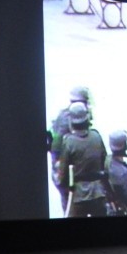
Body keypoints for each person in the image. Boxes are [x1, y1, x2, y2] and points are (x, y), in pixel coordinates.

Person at [57, 102, 108, 217]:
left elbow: (62, 173)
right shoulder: (96, 136)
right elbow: (105, 163)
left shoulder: (69, 142)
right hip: (98, 193)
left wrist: (63, 186)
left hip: (78, 196)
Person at [48, 86, 92, 214]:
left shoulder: (67, 115)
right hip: (64, 173)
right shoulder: (70, 119)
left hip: (66, 171)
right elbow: (57, 148)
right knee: (70, 208)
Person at [105, 130, 127, 215]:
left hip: (110, 207)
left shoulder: (107, 160)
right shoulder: (124, 173)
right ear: (124, 146)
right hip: (124, 209)